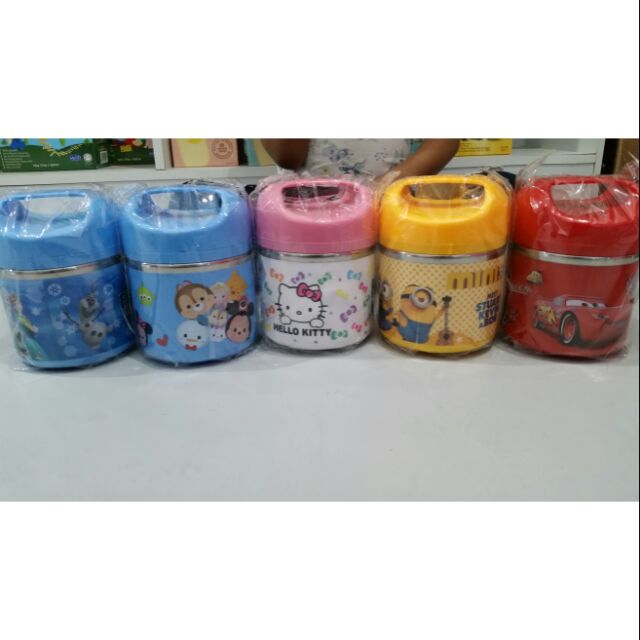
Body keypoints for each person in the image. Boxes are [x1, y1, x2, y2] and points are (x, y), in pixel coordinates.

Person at [260, 139, 460, 180]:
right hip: (302, 210)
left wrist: (385, 187)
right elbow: (288, 157)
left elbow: (444, 142)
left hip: (388, 206)